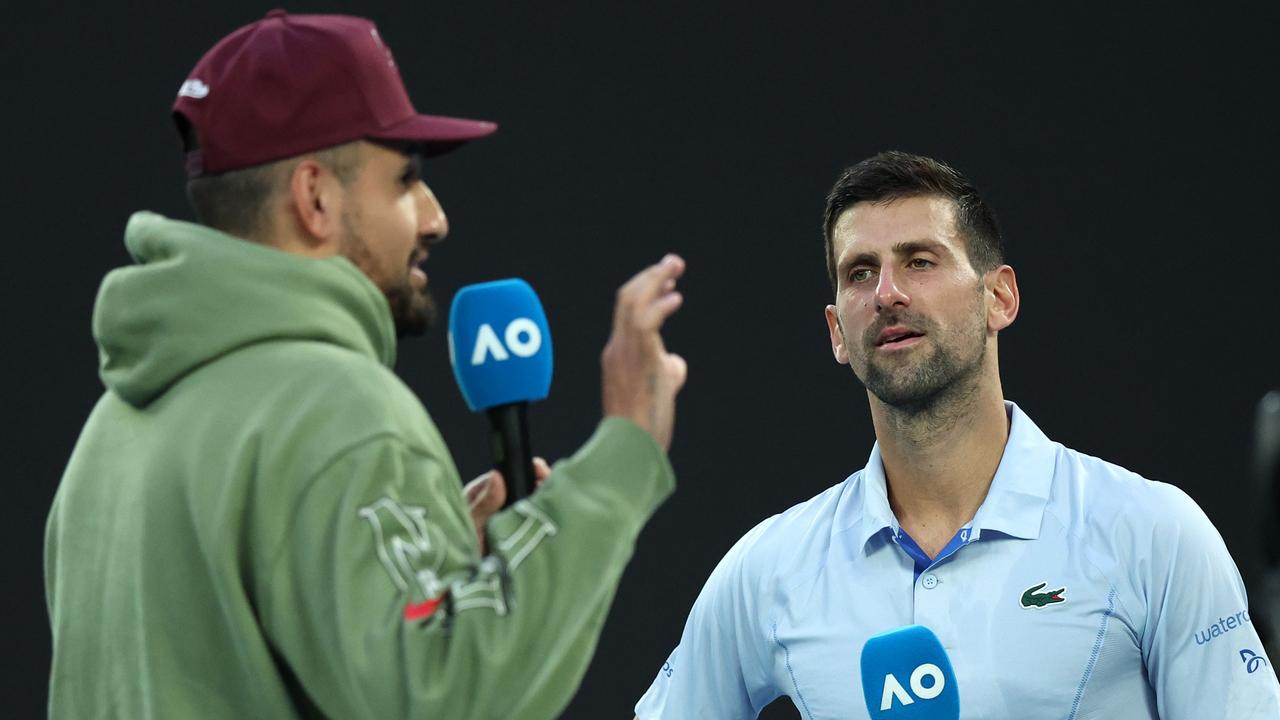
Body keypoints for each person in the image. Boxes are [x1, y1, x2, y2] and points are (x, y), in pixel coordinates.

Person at [44, 11, 688, 719]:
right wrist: (622, 455)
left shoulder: (107, 437)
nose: (435, 217)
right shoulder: (334, 408)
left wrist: (431, 567)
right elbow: (440, 694)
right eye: (406, 180)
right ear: (315, 197)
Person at [634, 151, 1280, 718]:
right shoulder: (768, 568)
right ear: (836, 331)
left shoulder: (1153, 532)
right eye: (860, 272)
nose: (887, 293)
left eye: (920, 261)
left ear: (999, 298)